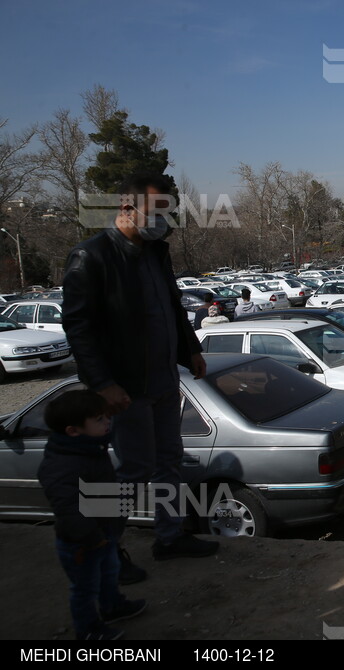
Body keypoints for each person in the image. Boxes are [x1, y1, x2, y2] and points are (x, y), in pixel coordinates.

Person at [62, 172, 218, 586]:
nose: (162, 221)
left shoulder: (155, 253)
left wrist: (191, 350)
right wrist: (102, 383)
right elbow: (78, 328)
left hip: (165, 380)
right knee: (131, 472)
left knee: (169, 463)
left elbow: (171, 307)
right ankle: (108, 551)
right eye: (156, 211)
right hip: (125, 389)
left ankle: (169, 538)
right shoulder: (91, 257)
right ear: (126, 207)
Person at [37, 390, 147, 640]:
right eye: (99, 419)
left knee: (109, 574)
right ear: (73, 430)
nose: (107, 422)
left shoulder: (91, 448)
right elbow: (68, 510)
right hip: (81, 544)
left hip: (103, 534)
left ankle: (112, 607)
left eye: (105, 417)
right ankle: (87, 630)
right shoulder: (61, 465)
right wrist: (90, 537)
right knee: (85, 588)